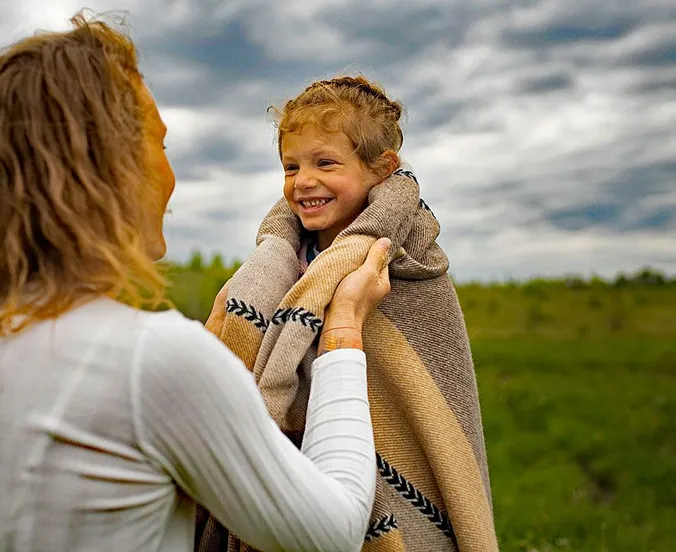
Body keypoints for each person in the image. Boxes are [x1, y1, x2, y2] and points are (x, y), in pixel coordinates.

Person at [0, 14, 394, 552]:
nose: (170, 172)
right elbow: (334, 535)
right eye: (158, 144)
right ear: (111, 166)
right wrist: (343, 327)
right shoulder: (152, 360)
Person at [197, 77, 498, 551]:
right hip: (295, 491)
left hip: (371, 476)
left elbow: (432, 401)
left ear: (381, 170)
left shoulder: (410, 268)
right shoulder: (279, 264)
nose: (303, 181)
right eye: (291, 166)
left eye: (326, 163)